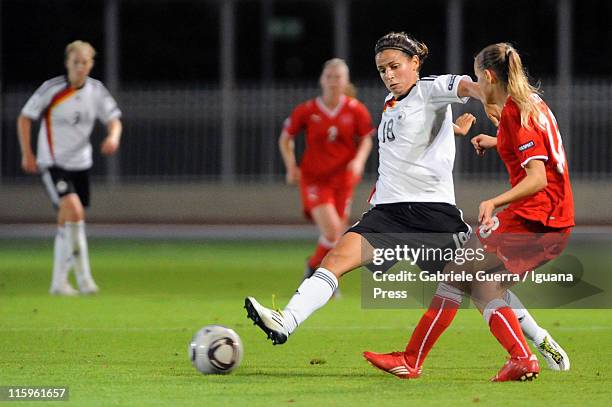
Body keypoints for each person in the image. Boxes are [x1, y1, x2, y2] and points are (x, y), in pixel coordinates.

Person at [245, 32, 488, 344]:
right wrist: (452, 130)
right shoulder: (391, 102)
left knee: (481, 286)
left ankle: (539, 341)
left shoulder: (433, 87)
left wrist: (499, 102)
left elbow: (470, 88)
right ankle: (286, 321)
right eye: (382, 70)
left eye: (394, 66)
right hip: (387, 214)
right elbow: (415, 131)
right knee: (334, 259)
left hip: (432, 216)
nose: (388, 75)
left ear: (414, 63)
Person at [364, 43, 574, 382]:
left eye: (478, 77)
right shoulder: (533, 102)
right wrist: (496, 142)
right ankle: (523, 354)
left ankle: (413, 359)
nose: (477, 84)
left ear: (489, 76)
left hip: (532, 219)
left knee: (461, 277)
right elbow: (543, 151)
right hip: (555, 221)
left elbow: (537, 178)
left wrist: (495, 201)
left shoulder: (515, 113)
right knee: (479, 283)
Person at [17, 40, 122, 295]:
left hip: (81, 164)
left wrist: (113, 137)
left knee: (70, 221)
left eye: (85, 63)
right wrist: (27, 153)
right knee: (73, 209)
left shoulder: (96, 91)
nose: (80, 67)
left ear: (90, 64)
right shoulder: (52, 89)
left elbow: (114, 119)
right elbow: (25, 117)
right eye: (75, 62)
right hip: (53, 162)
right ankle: (85, 280)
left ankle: (58, 283)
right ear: (67, 64)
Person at [278, 58, 374, 288]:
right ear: (322, 80)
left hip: (343, 180)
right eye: (329, 77)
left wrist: (359, 161)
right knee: (332, 232)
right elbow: (285, 138)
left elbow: (366, 139)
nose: (333, 82)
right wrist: (291, 165)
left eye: (338, 77)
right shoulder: (308, 110)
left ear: (346, 81)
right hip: (315, 179)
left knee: (337, 235)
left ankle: (315, 273)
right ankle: (316, 273)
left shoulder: (355, 109)